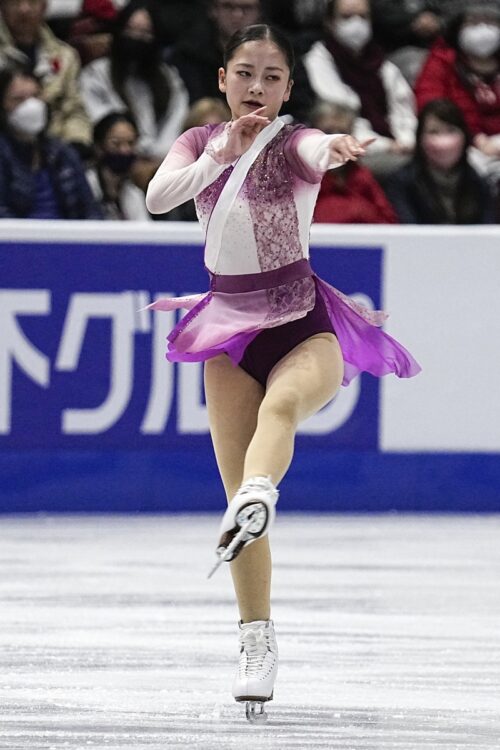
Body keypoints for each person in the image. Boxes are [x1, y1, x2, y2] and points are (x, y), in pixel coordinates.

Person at [145, 23, 421, 722]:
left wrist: (333, 144)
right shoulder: (199, 142)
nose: (257, 89)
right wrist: (222, 154)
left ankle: (260, 492)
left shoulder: (293, 143)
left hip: (303, 319)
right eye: (245, 74)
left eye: (271, 77)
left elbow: (313, 148)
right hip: (229, 330)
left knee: (282, 413)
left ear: (289, 87)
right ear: (222, 79)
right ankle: (256, 641)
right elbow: (158, 196)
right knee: (238, 500)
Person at [303, 0, 417, 179]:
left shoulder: (380, 62)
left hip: (398, 145)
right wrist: (387, 146)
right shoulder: (319, 60)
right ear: (330, 22)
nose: (356, 24)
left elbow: (403, 107)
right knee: (406, 169)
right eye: (347, 17)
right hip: (353, 148)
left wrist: (406, 140)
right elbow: (342, 119)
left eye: (363, 17)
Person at [80, 0, 189, 162]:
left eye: (145, 33)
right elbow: (101, 120)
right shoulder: (97, 73)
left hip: (162, 160)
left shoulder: (168, 76)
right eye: (131, 30)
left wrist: (160, 154)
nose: (136, 39)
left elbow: (176, 116)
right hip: (117, 157)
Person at [414, 1, 500, 184]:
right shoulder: (441, 61)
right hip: (464, 144)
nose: (483, 29)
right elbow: (430, 105)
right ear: (458, 27)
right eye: (473, 22)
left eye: (490, 22)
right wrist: (476, 139)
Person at [0, 67, 102, 219]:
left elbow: (89, 210)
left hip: (66, 238)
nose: (31, 107)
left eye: (35, 96)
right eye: (19, 99)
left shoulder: (63, 153)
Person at [384, 97, 496, 224]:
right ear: (420, 139)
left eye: (450, 131)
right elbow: (408, 228)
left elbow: (487, 229)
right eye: (434, 132)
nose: (443, 142)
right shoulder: (401, 183)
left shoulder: (477, 182)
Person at [0, 0, 92, 154]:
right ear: (2, 7)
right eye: (15, 2)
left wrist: (74, 144)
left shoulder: (65, 56)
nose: (24, 9)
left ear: (44, 7)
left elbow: (74, 110)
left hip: (55, 149)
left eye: (32, 2)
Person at [310, 101, 398, 223]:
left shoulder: (361, 175)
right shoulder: (299, 176)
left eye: (342, 133)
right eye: (329, 132)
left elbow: (389, 222)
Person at [87, 111, 151, 220]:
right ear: (99, 146)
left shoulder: (133, 192)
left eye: (130, 143)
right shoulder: (87, 185)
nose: (124, 151)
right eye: (116, 143)